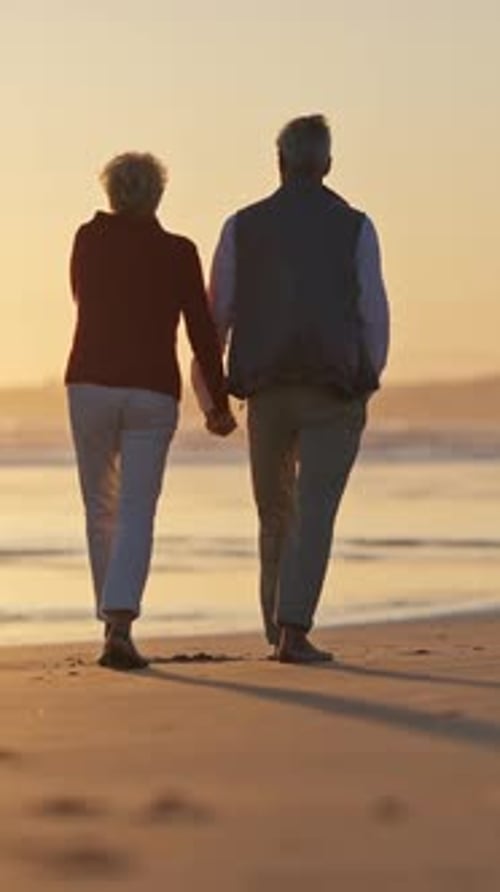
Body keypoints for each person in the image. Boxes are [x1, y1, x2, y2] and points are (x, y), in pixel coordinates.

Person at [193, 115, 389, 663]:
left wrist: (212, 398)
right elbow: (373, 311)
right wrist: (368, 377)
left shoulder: (241, 226)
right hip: (335, 387)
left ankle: (277, 624)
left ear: (278, 163)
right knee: (315, 508)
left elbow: (217, 319)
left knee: (274, 509)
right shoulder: (356, 226)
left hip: (267, 388)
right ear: (327, 164)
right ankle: (293, 630)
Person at [66, 152, 235, 670]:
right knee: (137, 509)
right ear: (158, 196)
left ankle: (111, 627)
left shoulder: (87, 241)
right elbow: (202, 333)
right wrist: (218, 404)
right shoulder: (178, 251)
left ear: (111, 193)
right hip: (151, 391)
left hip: (90, 382)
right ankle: (120, 624)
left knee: (101, 506)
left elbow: (79, 297)